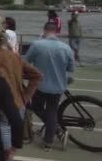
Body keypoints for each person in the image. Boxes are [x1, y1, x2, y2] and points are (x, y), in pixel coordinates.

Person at [0, 23, 43, 161]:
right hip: (18, 107)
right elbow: (36, 75)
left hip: (1, 110)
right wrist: (26, 96)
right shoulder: (13, 55)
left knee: (5, 160)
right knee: (2, 158)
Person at [25, 22, 75, 151]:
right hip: (58, 85)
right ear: (57, 31)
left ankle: (57, 130)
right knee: (52, 111)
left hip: (40, 84)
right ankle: (48, 142)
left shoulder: (37, 45)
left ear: (44, 30)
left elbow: (25, 62)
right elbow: (71, 68)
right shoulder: (66, 47)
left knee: (36, 107)